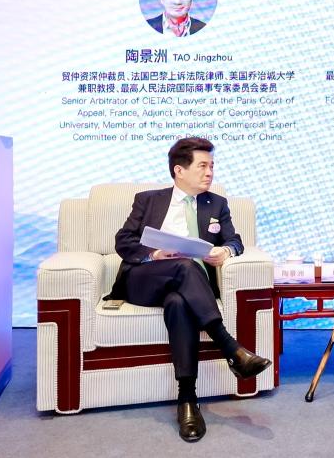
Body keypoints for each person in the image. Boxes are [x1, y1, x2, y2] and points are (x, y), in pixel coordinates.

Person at [111, 137, 270, 442]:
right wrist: (156, 253)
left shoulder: (217, 203)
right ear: (179, 170)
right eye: (202, 166)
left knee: (179, 303)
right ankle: (230, 347)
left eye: (212, 166)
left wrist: (225, 251)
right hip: (146, 279)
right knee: (183, 265)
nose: (210, 172)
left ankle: (187, 399)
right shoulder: (149, 200)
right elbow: (123, 241)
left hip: (190, 288)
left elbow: (235, 240)